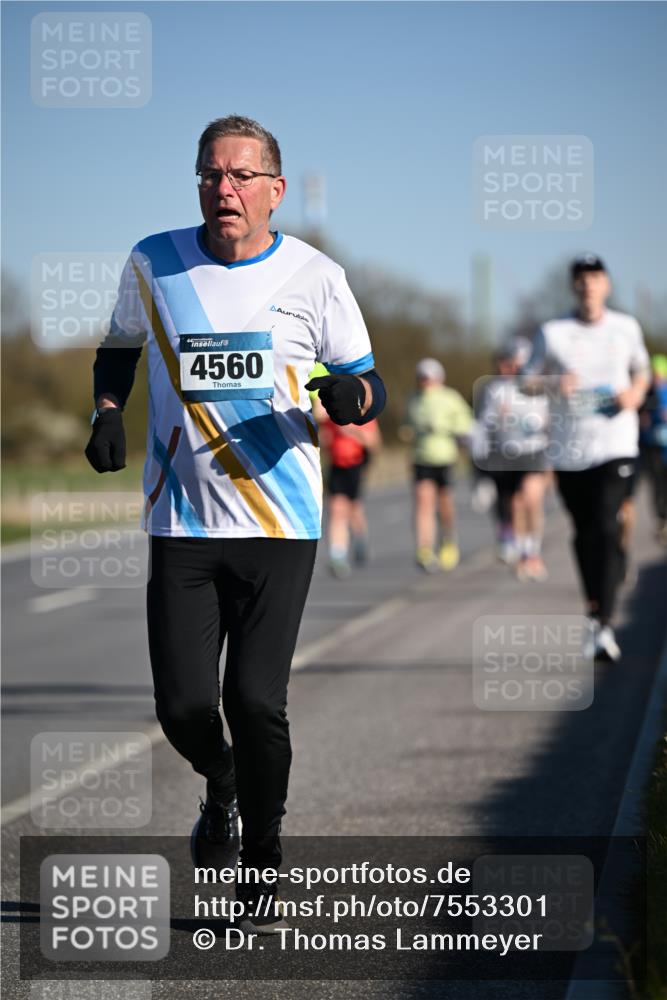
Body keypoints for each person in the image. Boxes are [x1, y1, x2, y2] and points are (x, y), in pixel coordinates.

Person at [84, 115, 386, 932]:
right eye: (210, 175)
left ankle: (264, 846)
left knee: (255, 699)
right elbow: (118, 348)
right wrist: (108, 410)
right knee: (184, 708)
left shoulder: (316, 276)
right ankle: (220, 785)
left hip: (278, 523)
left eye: (241, 176)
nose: (224, 189)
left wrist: (350, 399)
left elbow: (365, 383)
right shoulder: (155, 259)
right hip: (180, 520)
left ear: (273, 190)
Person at [523, 254, 650, 661]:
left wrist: (635, 393)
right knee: (584, 532)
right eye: (581, 279)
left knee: (606, 524)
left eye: (595, 278)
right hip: (570, 448)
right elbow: (525, 382)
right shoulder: (553, 332)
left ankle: (606, 626)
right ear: (573, 286)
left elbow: (643, 372)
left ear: (607, 284)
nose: (588, 285)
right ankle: (595, 611)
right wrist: (552, 382)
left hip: (616, 443)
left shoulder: (625, 328)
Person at [476, 338, 550, 580]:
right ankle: (522, 553)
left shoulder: (540, 387)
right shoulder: (496, 389)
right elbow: (485, 423)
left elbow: (552, 418)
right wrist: (498, 417)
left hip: (534, 450)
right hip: (507, 453)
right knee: (515, 504)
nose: (516, 369)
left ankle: (534, 552)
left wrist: (541, 425)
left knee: (532, 498)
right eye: (514, 363)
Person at [400, 358, 473, 573]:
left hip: (445, 458)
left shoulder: (451, 398)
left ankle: (449, 540)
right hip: (421, 458)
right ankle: (424, 549)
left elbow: (465, 425)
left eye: (429, 379)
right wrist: (408, 432)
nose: (425, 383)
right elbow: (407, 424)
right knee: (423, 501)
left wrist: (445, 427)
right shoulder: (412, 399)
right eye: (422, 379)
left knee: (444, 504)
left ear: (438, 379)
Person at [312, 372, 382, 578]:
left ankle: (360, 539)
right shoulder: (330, 412)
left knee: (354, 509)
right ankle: (337, 556)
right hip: (336, 464)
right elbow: (320, 424)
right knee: (337, 508)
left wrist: (349, 429)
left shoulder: (362, 413)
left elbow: (374, 442)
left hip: (356, 464)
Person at [639, 354, 667, 544]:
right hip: (653, 447)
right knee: (657, 486)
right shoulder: (646, 394)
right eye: (654, 375)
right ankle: (662, 520)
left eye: (659, 374)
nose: (656, 378)